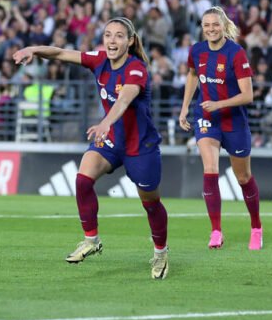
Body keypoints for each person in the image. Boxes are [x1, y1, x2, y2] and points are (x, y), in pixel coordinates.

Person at [13, 17, 169, 280]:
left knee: (151, 204)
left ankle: (161, 253)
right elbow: (61, 53)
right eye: (108, 35)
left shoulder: (136, 68)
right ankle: (91, 240)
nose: (112, 40)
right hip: (111, 140)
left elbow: (125, 98)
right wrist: (34, 50)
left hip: (140, 146)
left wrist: (106, 122)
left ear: (130, 41)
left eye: (119, 36)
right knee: (83, 180)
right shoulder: (99, 60)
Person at [178, 6, 262, 250]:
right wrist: (185, 107)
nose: (211, 29)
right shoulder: (197, 51)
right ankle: (216, 231)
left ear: (224, 26)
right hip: (206, 118)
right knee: (210, 169)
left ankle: (256, 227)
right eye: (206, 25)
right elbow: (192, 75)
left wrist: (219, 104)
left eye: (215, 24)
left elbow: (248, 95)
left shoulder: (236, 53)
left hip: (233, 121)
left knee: (243, 177)